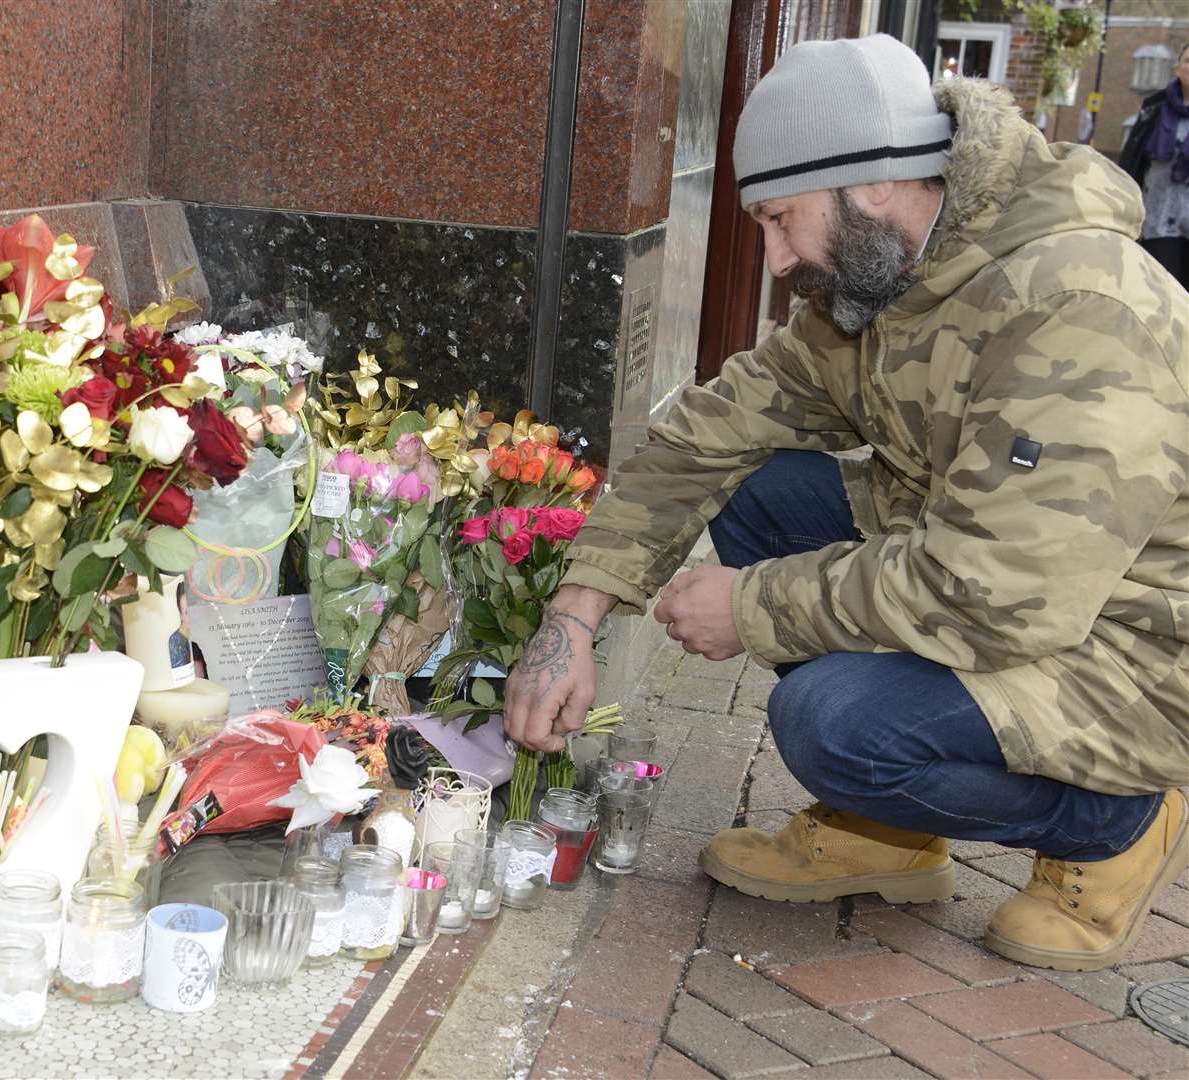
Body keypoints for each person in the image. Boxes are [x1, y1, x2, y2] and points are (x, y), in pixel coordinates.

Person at [504, 34, 1188, 973]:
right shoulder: (884, 285)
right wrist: (574, 617)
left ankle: (1118, 820)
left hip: (1129, 656)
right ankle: (890, 834)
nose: (779, 262)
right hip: (993, 590)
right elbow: (707, 433)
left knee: (834, 724)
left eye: (783, 220)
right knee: (753, 485)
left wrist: (753, 606)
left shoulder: (1078, 303)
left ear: (869, 185)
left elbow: (1001, 589)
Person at [1120, 42, 1189, 287]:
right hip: (1158, 219)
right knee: (1159, 292)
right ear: (1177, 68)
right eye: (1188, 61)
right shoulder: (1154, 108)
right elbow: (1133, 160)